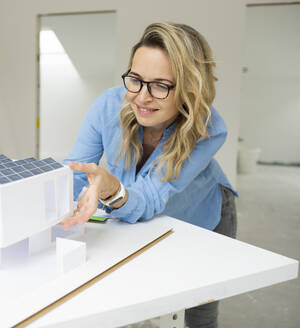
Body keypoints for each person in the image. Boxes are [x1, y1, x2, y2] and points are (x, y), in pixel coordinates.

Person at [61, 22, 238, 328]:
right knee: (133, 298)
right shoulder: (107, 106)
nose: (141, 97)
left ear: (188, 88)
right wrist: (22, 181)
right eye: (135, 80)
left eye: (160, 85)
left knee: (200, 309)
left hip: (204, 213)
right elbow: (75, 172)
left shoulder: (209, 129)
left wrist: (112, 190)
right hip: (141, 215)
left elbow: (151, 197)